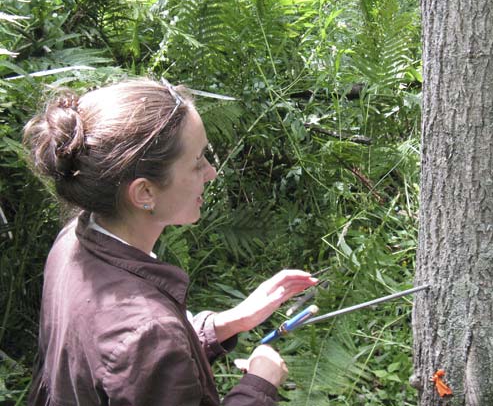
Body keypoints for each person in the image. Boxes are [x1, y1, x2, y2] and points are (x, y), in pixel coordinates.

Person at [23, 77, 317, 405]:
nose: (211, 173)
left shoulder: (75, 239)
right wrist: (260, 384)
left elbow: (127, 368)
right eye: (197, 162)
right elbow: (140, 348)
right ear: (145, 192)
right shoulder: (146, 333)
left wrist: (226, 323)